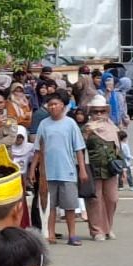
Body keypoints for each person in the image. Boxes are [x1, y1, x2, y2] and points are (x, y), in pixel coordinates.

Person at [32, 92, 87, 247]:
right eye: (50, 105)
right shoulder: (44, 124)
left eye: (55, 104)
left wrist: (82, 169)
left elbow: (79, 149)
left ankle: (72, 235)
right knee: (50, 206)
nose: (52, 107)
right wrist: (32, 170)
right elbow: (37, 149)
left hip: (67, 171)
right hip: (48, 173)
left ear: (63, 105)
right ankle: (50, 233)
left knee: (69, 206)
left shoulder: (70, 124)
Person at [82, 95, 123, 241]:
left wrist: (123, 168)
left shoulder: (113, 127)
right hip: (93, 168)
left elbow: (118, 148)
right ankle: (96, 230)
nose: (99, 114)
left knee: (112, 199)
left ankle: (108, 228)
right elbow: (80, 148)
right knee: (95, 200)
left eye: (102, 111)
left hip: (111, 168)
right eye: (95, 111)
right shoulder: (86, 128)